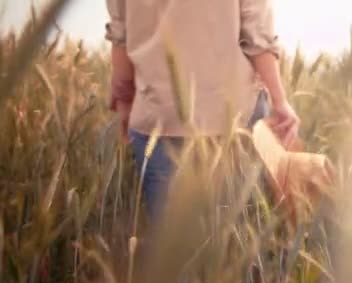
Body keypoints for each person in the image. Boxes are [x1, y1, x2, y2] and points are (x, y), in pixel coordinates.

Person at [105, 0, 301, 222]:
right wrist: (279, 100)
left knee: (171, 240)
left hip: (156, 117)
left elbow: (120, 35)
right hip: (234, 117)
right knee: (238, 232)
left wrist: (124, 102)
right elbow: (257, 35)